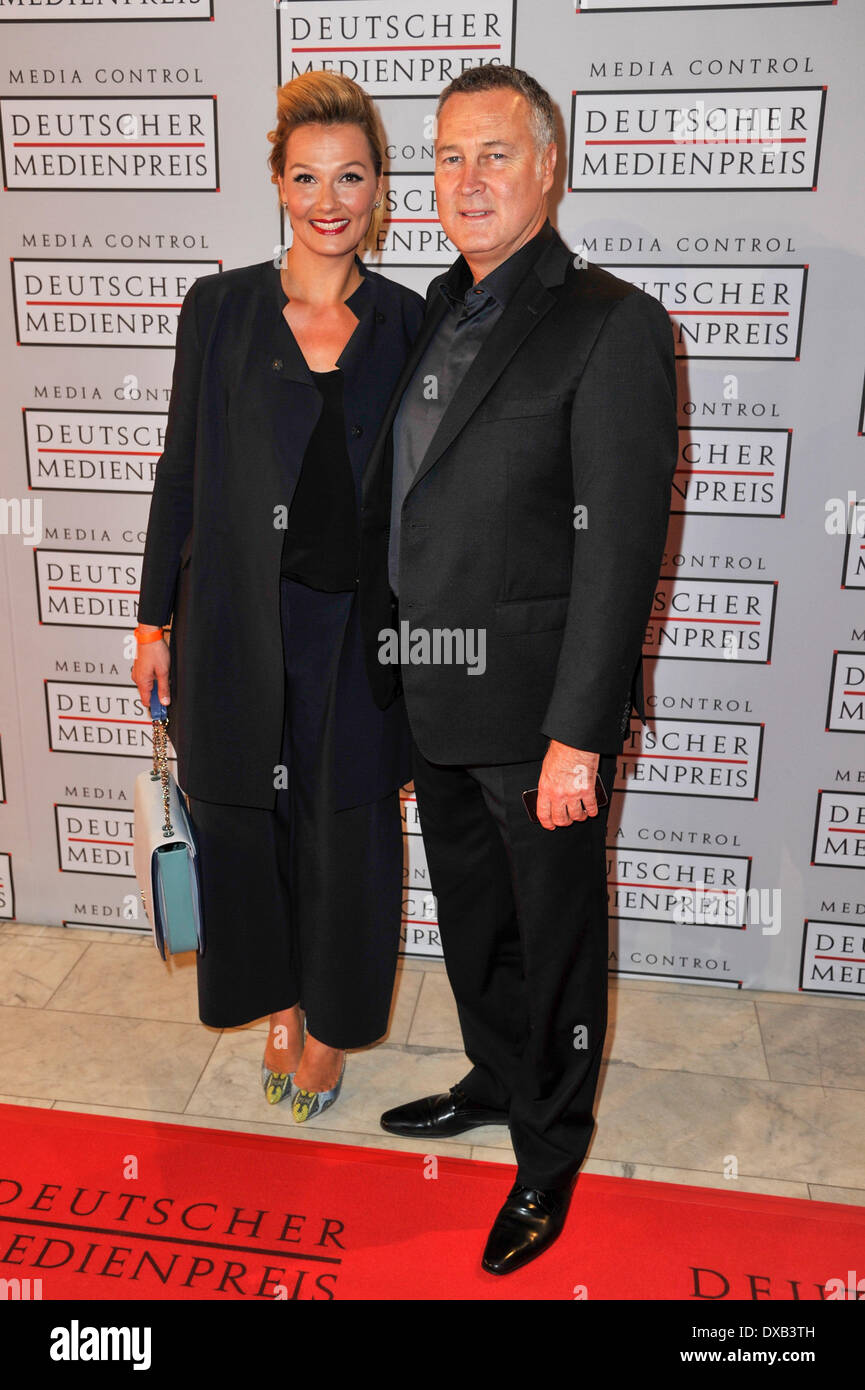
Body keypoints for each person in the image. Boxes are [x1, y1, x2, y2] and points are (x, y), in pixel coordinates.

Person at [371, 65, 678, 1273]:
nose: (468, 180)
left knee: (552, 942)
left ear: (548, 168)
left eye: (494, 154)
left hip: (539, 711)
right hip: (434, 687)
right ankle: (495, 1080)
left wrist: (580, 734)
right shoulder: (435, 307)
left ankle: (548, 1158)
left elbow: (620, 548)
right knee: (472, 922)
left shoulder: (609, 322)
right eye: (448, 157)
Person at [132, 72, 424, 1123]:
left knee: (347, 830)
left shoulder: (408, 320)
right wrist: (151, 615)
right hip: (235, 623)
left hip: (356, 631)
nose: (328, 198)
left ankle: (333, 1030)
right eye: (307, 176)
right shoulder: (219, 308)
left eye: (350, 175)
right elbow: (179, 466)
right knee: (247, 821)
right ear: (277, 184)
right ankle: (281, 1002)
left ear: (380, 188)